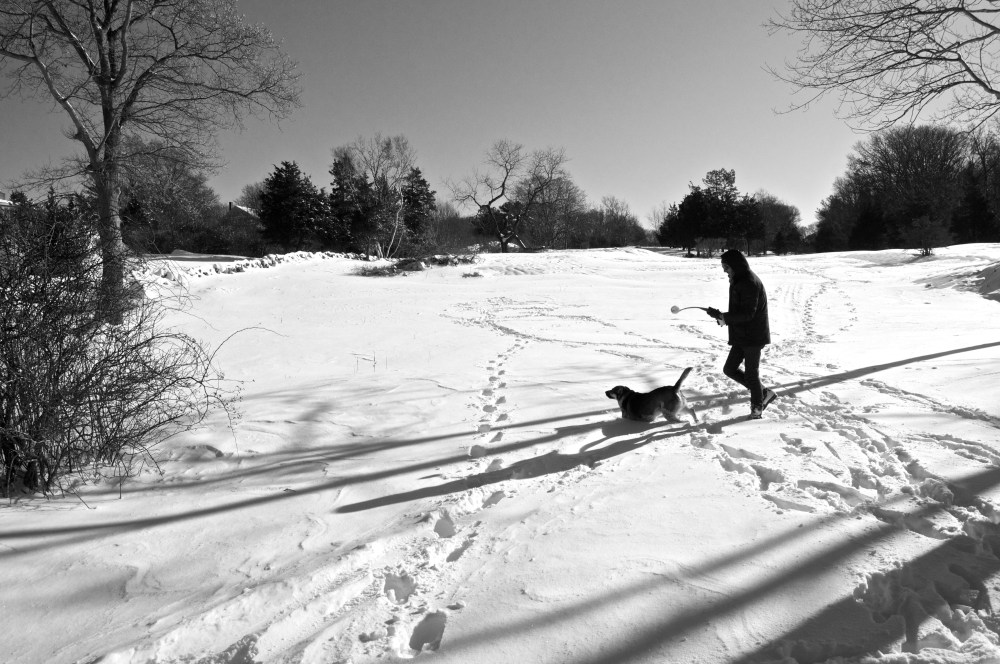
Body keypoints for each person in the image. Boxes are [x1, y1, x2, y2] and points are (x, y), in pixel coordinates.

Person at [706, 249, 777, 420]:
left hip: (753, 336)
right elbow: (740, 311)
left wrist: (725, 317)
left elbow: (748, 314)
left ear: (735, 266)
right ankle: (763, 393)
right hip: (742, 335)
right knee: (729, 369)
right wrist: (722, 317)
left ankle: (757, 409)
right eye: (723, 266)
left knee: (752, 374)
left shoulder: (749, 283)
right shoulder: (739, 280)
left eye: (726, 267)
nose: (724, 270)